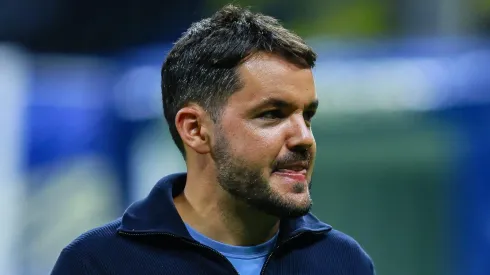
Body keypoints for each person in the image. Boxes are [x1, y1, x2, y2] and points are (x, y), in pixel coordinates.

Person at [52, 4, 375, 275]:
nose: (304, 138)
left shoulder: (343, 262)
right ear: (194, 129)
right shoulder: (99, 264)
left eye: (307, 116)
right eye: (272, 114)